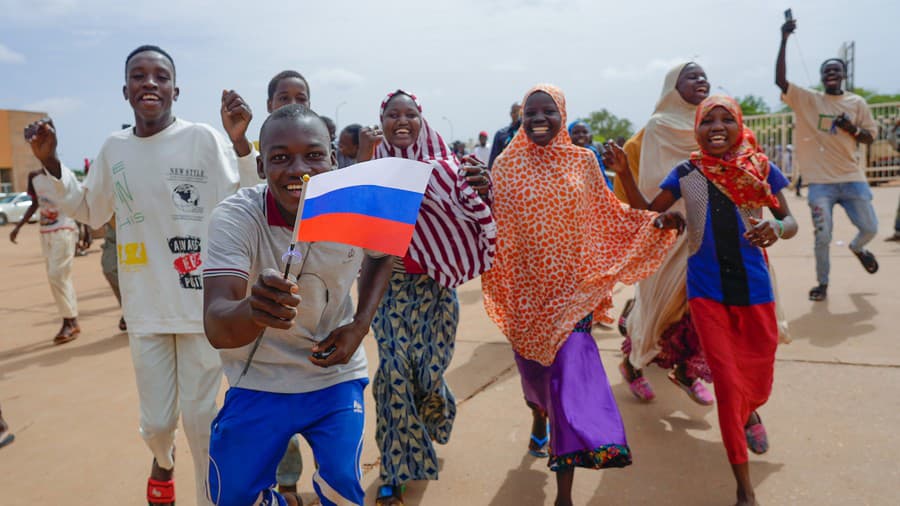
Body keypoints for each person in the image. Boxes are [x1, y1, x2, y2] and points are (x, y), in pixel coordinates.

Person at [23, 45, 257, 506]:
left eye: (160, 76)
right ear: (125, 90)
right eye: (139, 75)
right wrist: (52, 164)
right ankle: (162, 458)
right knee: (156, 424)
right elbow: (91, 210)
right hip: (146, 306)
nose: (149, 82)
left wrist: (241, 142)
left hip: (200, 307)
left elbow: (245, 196)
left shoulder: (205, 140)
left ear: (176, 89)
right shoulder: (115, 148)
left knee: (199, 419)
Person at [482, 84, 681, 506]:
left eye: (548, 111)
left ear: (563, 115)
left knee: (568, 387)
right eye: (530, 112)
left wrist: (651, 225)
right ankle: (539, 417)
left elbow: (608, 214)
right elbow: (491, 227)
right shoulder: (504, 166)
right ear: (521, 119)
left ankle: (564, 495)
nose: (539, 118)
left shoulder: (582, 161)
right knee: (539, 388)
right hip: (527, 298)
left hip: (574, 295)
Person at [606, 95, 798, 506]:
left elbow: (790, 220)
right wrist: (624, 173)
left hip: (755, 291)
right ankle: (744, 491)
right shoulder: (688, 172)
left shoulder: (760, 167)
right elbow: (646, 212)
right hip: (707, 292)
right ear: (696, 128)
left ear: (739, 125)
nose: (716, 126)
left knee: (758, 378)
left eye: (725, 118)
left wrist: (776, 229)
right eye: (707, 119)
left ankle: (752, 411)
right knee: (729, 386)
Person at [203, 104, 394, 506]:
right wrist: (252, 310)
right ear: (260, 165)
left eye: (312, 155)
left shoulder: (358, 206)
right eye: (280, 158)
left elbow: (381, 256)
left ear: (333, 159)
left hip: (332, 374)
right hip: (259, 377)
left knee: (342, 485)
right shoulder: (236, 218)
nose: (298, 169)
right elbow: (217, 326)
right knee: (232, 495)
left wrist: (360, 325)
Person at [356, 90, 493, 506]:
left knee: (427, 372)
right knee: (394, 373)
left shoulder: (451, 168)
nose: (402, 120)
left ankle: (436, 407)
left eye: (409, 113)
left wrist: (485, 188)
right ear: (381, 121)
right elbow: (360, 219)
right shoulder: (373, 168)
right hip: (389, 288)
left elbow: (475, 215)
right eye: (392, 114)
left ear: (421, 119)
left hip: (437, 288)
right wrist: (365, 160)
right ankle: (394, 472)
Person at [615, 62, 715, 404]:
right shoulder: (658, 127)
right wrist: (664, 220)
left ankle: (687, 370)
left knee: (700, 307)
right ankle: (633, 364)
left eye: (703, 75)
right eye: (691, 75)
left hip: (710, 231)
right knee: (657, 308)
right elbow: (656, 183)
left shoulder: (715, 121)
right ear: (673, 86)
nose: (700, 80)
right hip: (669, 228)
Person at [777, 18, 879, 301]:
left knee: (870, 228)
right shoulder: (808, 99)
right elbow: (780, 81)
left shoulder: (857, 103)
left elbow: (869, 137)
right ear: (822, 77)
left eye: (836, 70)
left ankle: (858, 248)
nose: (831, 73)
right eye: (826, 71)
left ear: (843, 75)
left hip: (852, 179)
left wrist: (852, 129)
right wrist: (784, 38)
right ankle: (822, 284)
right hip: (820, 183)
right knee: (822, 235)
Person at [9, 169, 80, 344]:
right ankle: (72, 321)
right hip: (45, 232)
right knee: (58, 278)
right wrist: (19, 226)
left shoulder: (63, 173)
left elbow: (77, 202)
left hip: (65, 228)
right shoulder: (33, 176)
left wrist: (86, 230)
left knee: (57, 275)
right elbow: (35, 203)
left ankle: (69, 320)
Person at [568, 120, 613, 189]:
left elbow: (600, 174)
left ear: (590, 136)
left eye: (585, 132)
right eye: (576, 132)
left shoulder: (592, 152)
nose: (581, 135)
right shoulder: (566, 153)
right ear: (568, 135)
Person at [100, 217, 127, 331]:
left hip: (141, 225)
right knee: (109, 267)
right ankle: (129, 309)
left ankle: (133, 310)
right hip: (115, 226)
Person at [488, 101, 521, 168]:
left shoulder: (530, 135)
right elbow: (493, 161)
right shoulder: (501, 134)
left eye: (520, 112)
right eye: (515, 112)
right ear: (511, 114)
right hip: (506, 173)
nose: (518, 114)